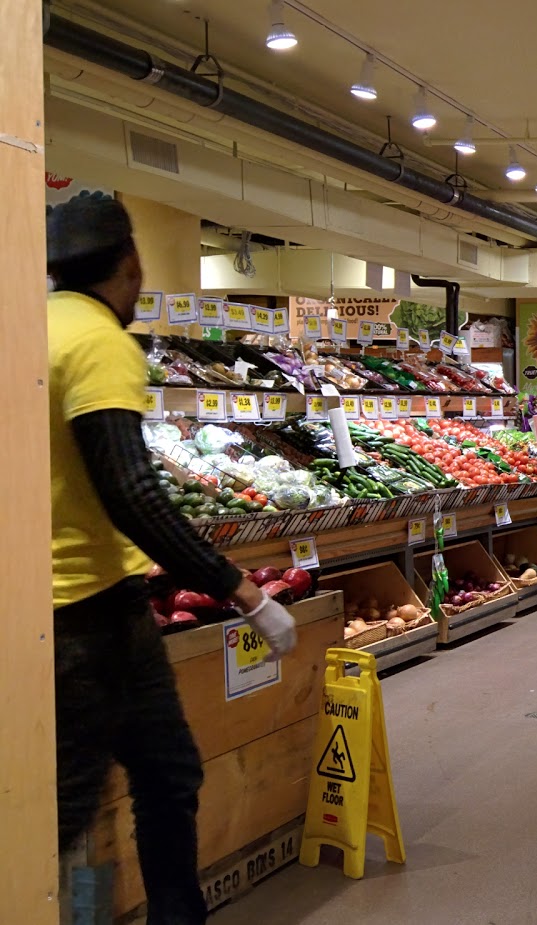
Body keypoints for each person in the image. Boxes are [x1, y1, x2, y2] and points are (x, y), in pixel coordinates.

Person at [47, 198, 298, 924]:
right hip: (85, 615)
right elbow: (132, 491)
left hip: (76, 604)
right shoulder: (99, 342)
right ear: (131, 264)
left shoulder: (31, 328)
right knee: (78, 802)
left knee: (148, 777)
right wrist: (244, 590)